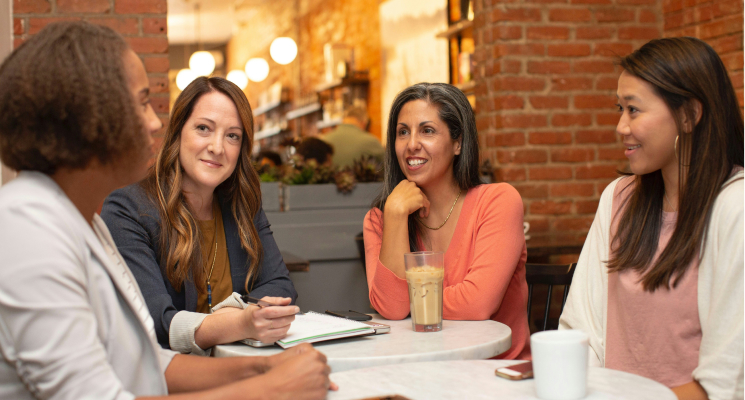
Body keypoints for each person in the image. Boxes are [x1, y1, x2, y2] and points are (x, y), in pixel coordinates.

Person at [0, 21, 333, 399]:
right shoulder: (26, 228)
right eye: (142, 103)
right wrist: (271, 388)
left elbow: (147, 364)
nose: (155, 122)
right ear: (88, 118)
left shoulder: (83, 222)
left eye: (233, 136)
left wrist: (263, 366)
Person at [559, 37, 743, 400]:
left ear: (689, 114)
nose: (621, 127)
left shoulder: (734, 206)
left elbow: (727, 383)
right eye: (620, 109)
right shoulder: (618, 198)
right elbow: (580, 330)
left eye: (634, 110)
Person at [101, 76, 298, 355]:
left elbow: (281, 286)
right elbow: (155, 322)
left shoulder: (242, 205)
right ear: (178, 131)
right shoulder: (128, 210)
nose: (217, 147)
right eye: (204, 128)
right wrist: (240, 322)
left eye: (232, 136)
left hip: (240, 369)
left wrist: (233, 318)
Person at [363, 82, 531, 360]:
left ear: (458, 143)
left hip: (496, 374)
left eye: (427, 131)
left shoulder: (498, 201)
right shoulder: (381, 218)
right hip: (422, 371)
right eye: (403, 132)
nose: (412, 144)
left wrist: (410, 300)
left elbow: (478, 304)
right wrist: (395, 215)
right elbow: (393, 308)